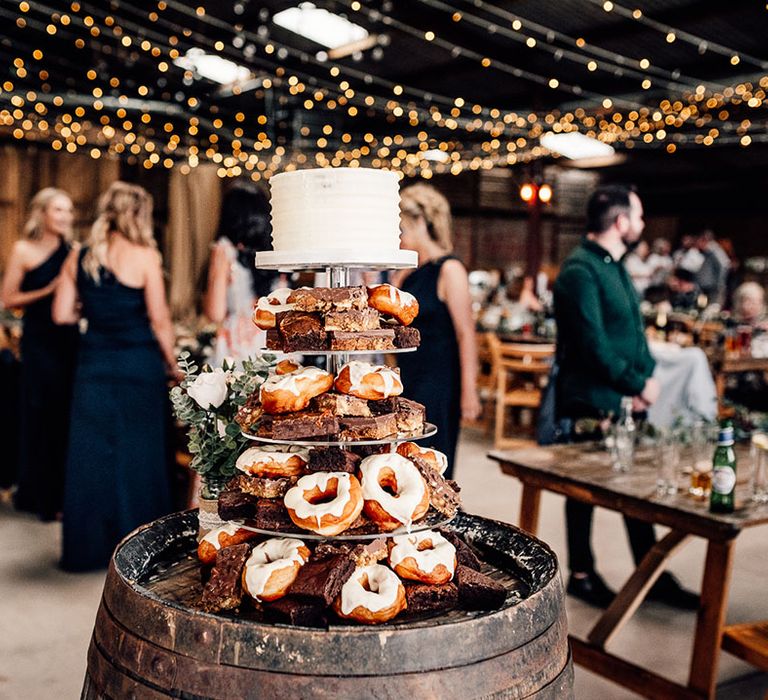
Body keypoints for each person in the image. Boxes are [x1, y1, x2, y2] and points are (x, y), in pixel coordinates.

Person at [553, 185, 698, 609]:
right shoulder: (580, 270)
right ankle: (581, 573)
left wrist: (643, 379)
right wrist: (635, 384)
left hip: (622, 396)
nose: (642, 224)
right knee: (583, 493)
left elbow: (633, 332)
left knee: (637, 489)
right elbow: (592, 345)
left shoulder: (614, 265)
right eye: (638, 216)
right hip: (590, 399)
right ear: (620, 222)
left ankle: (649, 572)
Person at [53, 181, 175, 571]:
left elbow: (61, 315)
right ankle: (138, 551)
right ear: (139, 214)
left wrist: (92, 313)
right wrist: (173, 364)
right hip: (138, 365)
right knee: (138, 455)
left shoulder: (79, 257)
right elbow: (159, 319)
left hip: (94, 365)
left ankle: (88, 549)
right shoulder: (145, 257)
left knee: (92, 457)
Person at [0, 188, 78, 521]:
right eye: (58, 210)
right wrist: (49, 289)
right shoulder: (24, 249)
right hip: (39, 342)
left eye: (69, 210)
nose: (65, 217)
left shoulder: (73, 251)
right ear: (42, 213)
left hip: (70, 340)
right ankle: (38, 494)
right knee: (40, 414)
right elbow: (8, 298)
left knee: (64, 417)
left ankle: (61, 496)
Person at [394, 183, 481, 477]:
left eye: (403, 230)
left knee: (433, 465)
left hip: (439, 382)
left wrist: (470, 392)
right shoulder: (409, 272)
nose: (400, 239)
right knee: (406, 462)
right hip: (409, 380)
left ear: (421, 223)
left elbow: (465, 333)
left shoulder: (450, 269)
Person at [203, 183, 278, 367]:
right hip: (272, 340)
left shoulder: (224, 250)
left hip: (236, 345)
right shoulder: (274, 249)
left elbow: (215, 313)